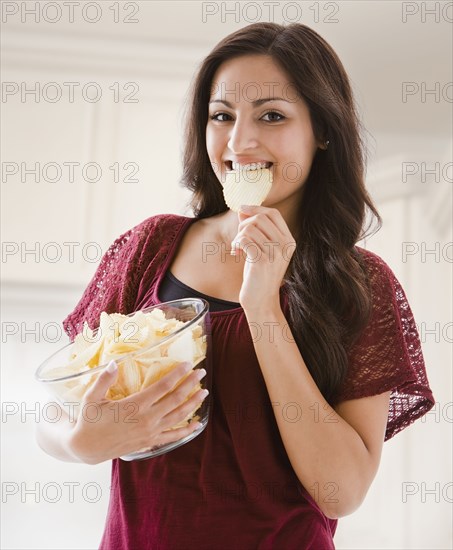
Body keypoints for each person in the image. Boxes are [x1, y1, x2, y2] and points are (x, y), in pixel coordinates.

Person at [36, 22, 435, 549]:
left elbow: (342, 492)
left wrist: (262, 306)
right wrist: (83, 442)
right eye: (222, 116)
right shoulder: (152, 246)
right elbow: (55, 410)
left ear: (322, 131)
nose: (239, 141)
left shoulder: (361, 284)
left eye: (272, 116)